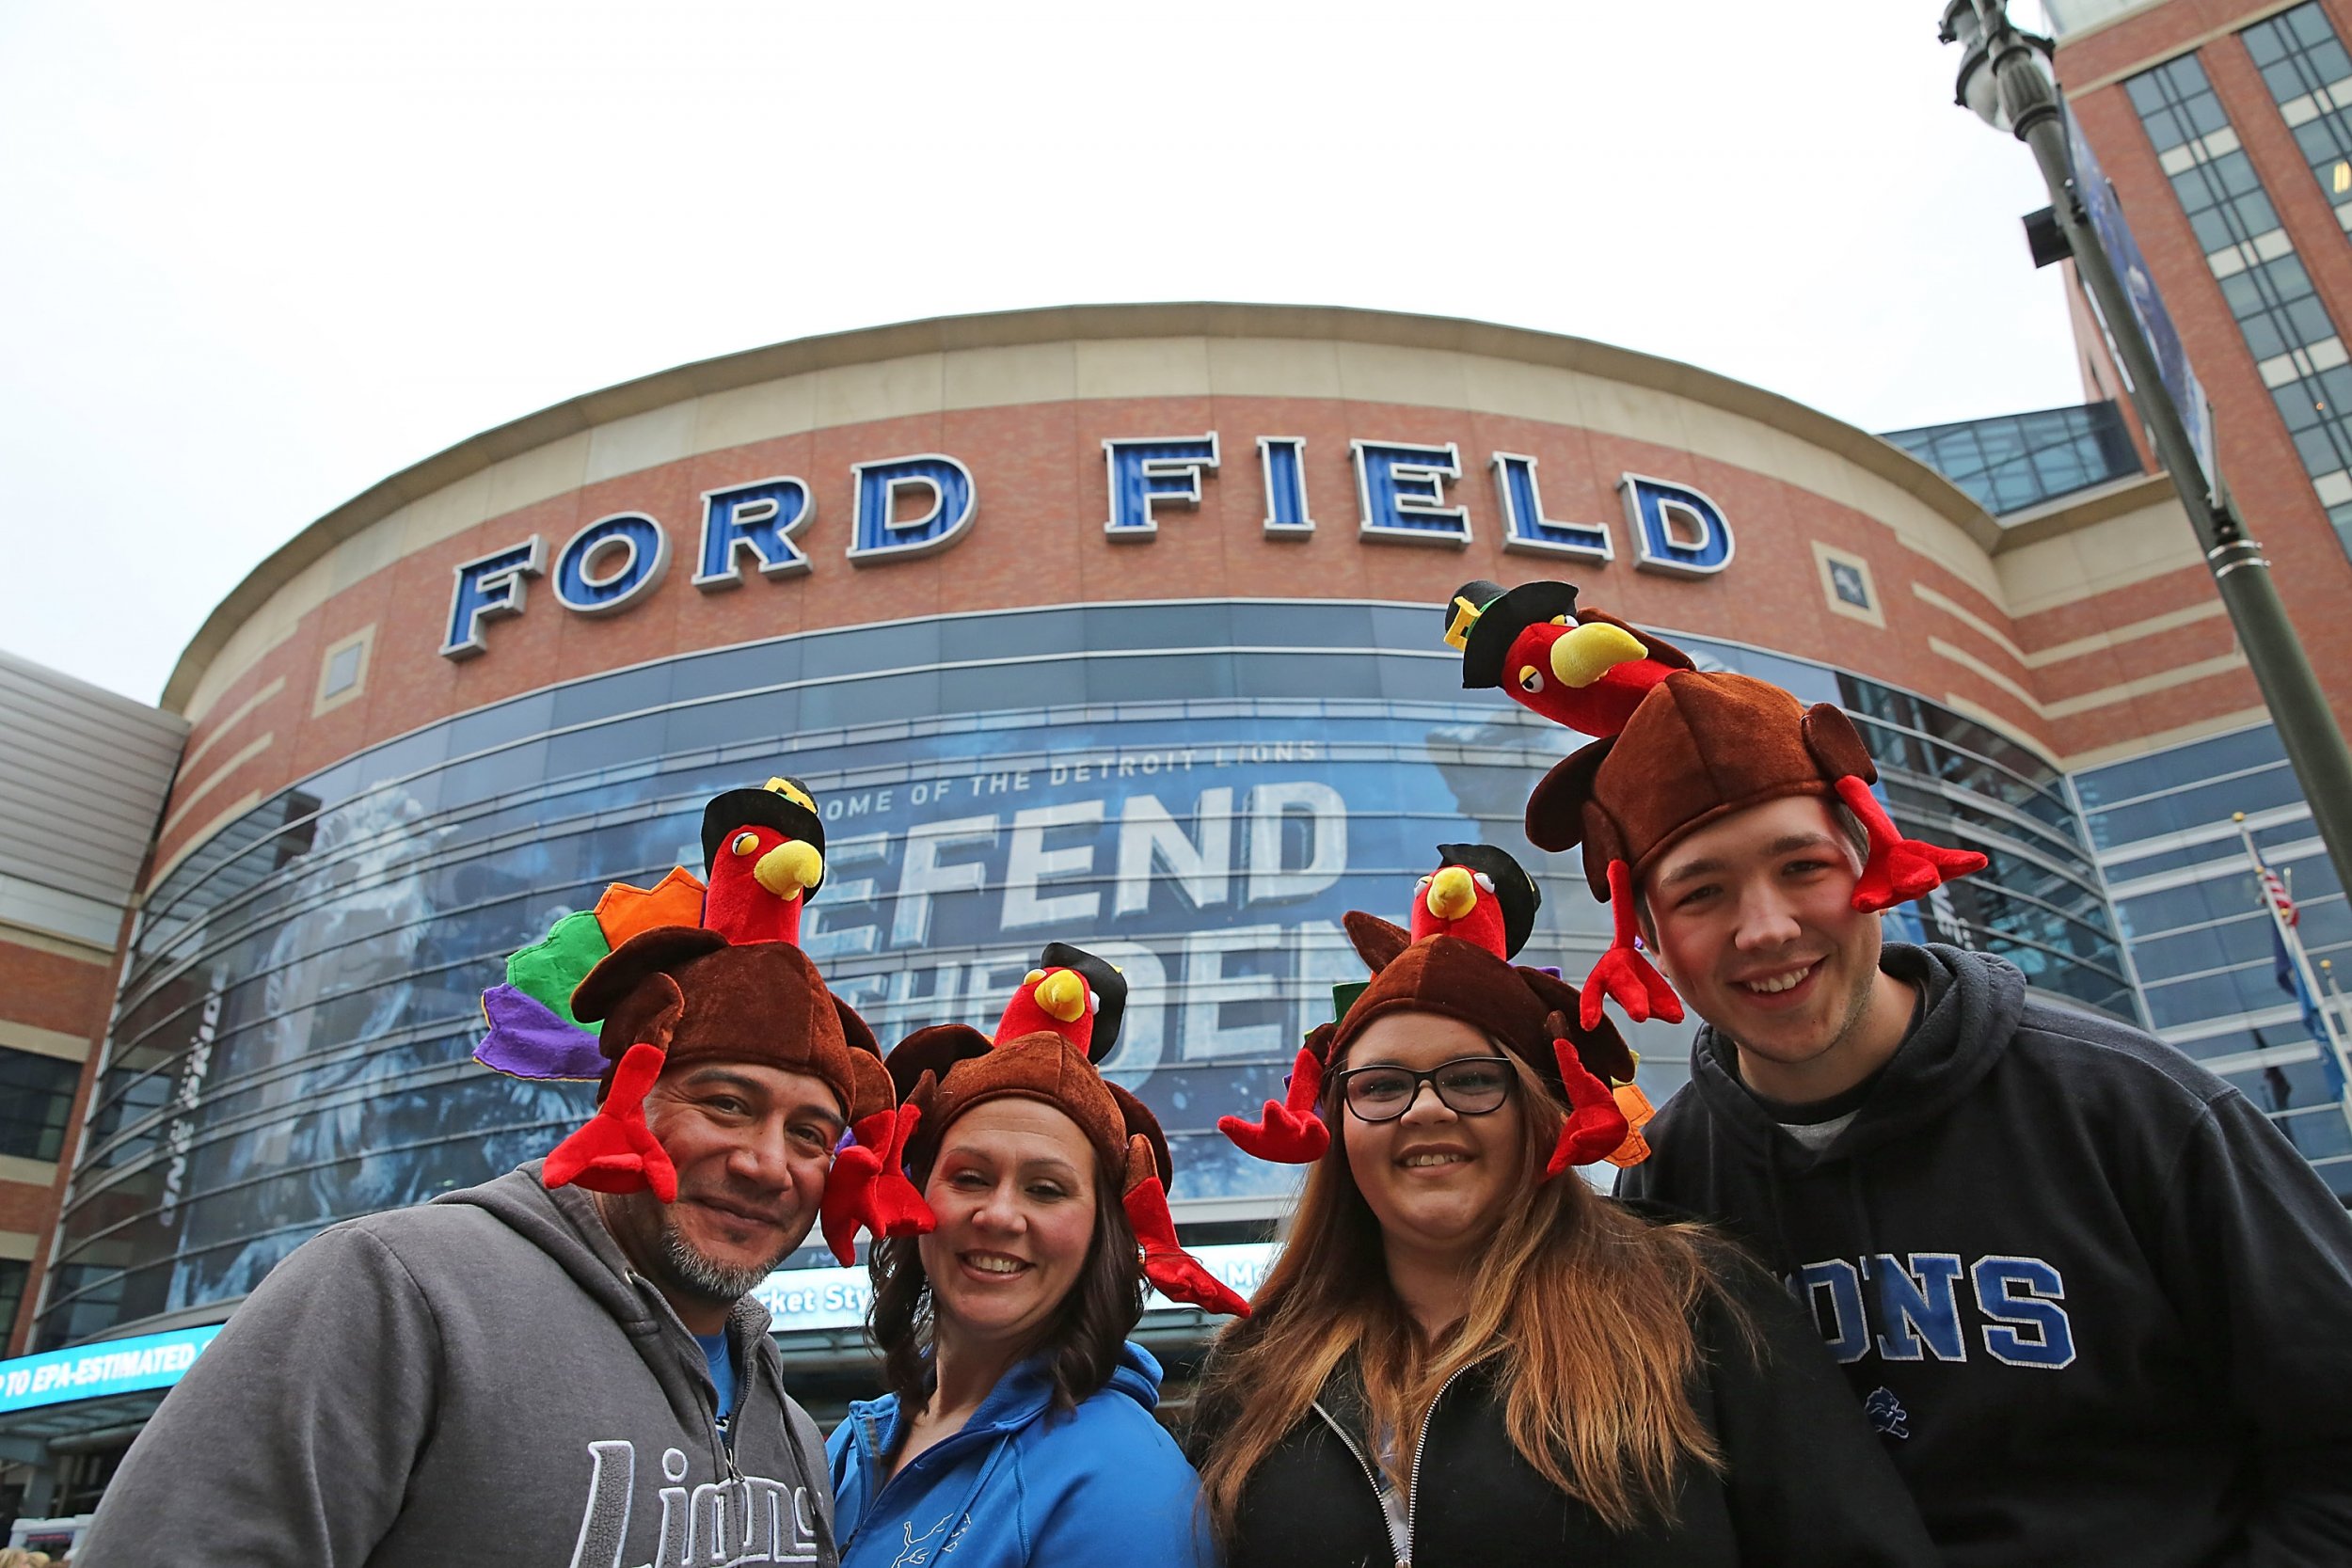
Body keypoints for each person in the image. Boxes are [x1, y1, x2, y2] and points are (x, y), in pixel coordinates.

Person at [1523, 657, 2352, 1564]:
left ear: (1873, 860)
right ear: (1647, 932)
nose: (1763, 927)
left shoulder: (2133, 1107)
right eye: (1701, 892)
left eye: (1802, 867)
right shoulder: (1671, 1177)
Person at [79, 800, 926, 1568]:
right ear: (627, 1096)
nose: (765, 1161)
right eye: (726, 1103)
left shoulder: (794, 1428)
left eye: (809, 1133)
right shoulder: (396, 1289)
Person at [1188, 856, 1938, 1567]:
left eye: (1473, 1078)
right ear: (1339, 1124)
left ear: (1540, 1112)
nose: (1424, 1110)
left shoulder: (1696, 1304)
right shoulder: (1258, 1363)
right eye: (1382, 1086)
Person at [826, 943, 1242, 1567]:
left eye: (1046, 1189)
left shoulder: (1129, 1489)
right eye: (969, 1177)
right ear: (916, 1193)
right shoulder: (851, 1443)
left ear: (1102, 1237)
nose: (998, 1214)